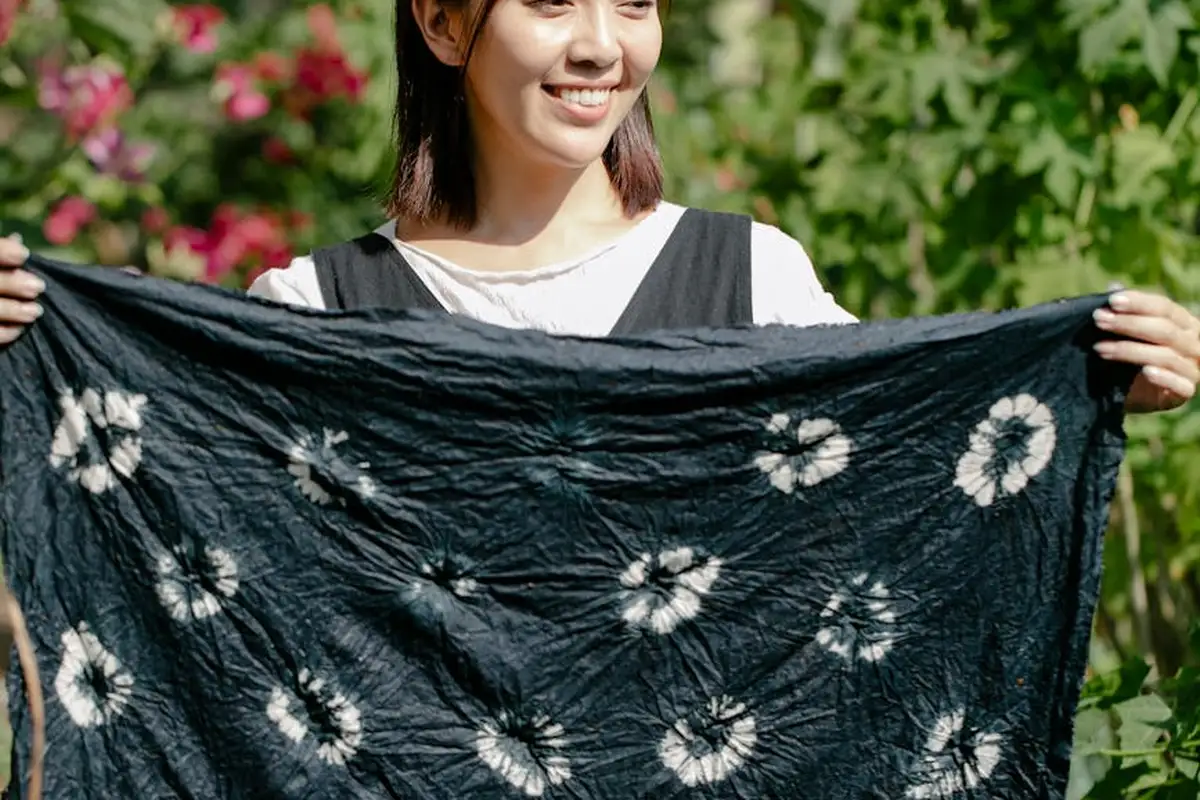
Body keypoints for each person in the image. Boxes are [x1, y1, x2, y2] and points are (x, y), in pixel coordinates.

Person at [0, 0, 1197, 412]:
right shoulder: (316, 308)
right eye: (554, 1)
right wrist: (30, 344)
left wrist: (1085, 374)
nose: (600, 46)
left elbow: (900, 462)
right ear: (443, 19)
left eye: (634, 2)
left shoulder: (755, 284)